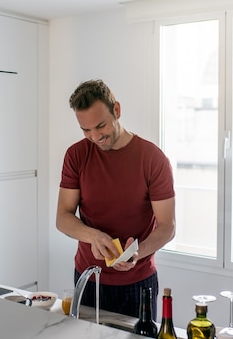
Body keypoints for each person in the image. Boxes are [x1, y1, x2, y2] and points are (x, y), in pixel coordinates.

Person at [56, 79, 176, 318]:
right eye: (86, 130)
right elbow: (63, 217)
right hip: (88, 277)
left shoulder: (153, 159)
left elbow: (167, 227)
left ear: (117, 110)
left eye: (100, 126)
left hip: (139, 282)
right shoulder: (76, 155)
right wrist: (94, 236)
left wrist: (137, 253)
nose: (95, 136)